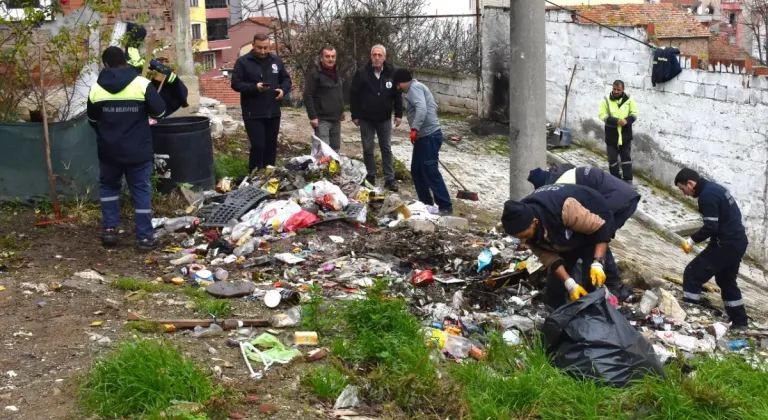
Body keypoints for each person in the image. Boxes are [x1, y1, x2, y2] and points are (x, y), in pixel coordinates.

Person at [86, 46, 166, 251]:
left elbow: (92, 120)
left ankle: (110, 230)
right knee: (140, 191)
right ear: (126, 61)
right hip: (138, 150)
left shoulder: (97, 88)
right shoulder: (142, 84)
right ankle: (145, 238)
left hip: (109, 151)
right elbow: (160, 112)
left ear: (105, 65)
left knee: (109, 188)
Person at [527, 164, 641, 300]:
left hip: (618, 200)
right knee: (593, 238)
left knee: (596, 238)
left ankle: (609, 287)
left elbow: (595, 229)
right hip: (622, 195)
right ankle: (598, 284)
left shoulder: (559, 186)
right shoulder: (562, 175)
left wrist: (595, 262)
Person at [501, 184, 616, 308]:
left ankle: (595, 312)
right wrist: (570, 284)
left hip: (594, 216)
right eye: (518, 238)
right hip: (564, 230)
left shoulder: (565, 209)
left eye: (524, 236)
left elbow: (601, 230)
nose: (522, 242)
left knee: (590, 278)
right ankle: (557, 313)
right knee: (555, 287)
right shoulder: (522, 221)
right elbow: (549, 258)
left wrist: (597, 262)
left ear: (534, 222)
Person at [675, 168, 749, 329]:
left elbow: (711, 227)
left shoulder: (707, 196)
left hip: (725, 244)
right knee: (726, 281)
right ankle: (740, 323)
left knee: (692, 274)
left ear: (691, 183)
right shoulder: (716, 189)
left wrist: (691, 240)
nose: (685, 194)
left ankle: (690, 316)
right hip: (737, 241)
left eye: (683, 189)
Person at [393, 68, 453, 215]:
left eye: (397, 84)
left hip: (429, 137)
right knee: (417, 171)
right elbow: (432, 106)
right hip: (424, 137)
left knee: (430, 172)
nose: (397, 88)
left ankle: (445, 206)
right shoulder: (417, 88)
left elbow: (422, 108)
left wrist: (415, 128)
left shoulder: (414, 89)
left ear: (400, 82)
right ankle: (426, 203)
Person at [231, 33, 292, 172]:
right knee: (258, 146)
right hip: (253, 112)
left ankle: (269, 176)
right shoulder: (243, 62)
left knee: (271, 147)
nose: (263, 51)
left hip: (273, 111)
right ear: (253, 45)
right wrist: (254, 87)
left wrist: (283, 90)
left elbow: (286, 80)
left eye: (266, 48)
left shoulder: (276, 61)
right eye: (260, 48)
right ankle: (253, 175)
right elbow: (235, 84)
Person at [350, 44, 403, 191]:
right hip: (366, 118)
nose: (377, 58)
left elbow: (397, 95)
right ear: (370, 56)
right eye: (374, 55)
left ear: (384, 57)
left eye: (380, 55)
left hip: (384, 118)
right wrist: (355, 115)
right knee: (368, 148)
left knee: (386, 148)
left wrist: (398, 114)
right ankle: (370, 175)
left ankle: (390, 178)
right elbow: (354, 95)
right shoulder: (362, 73)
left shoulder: (392, 73)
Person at [303, 46, 345, 152]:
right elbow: (308, 96)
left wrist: (341, 110)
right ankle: (323, 169)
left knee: (335, 149)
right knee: (324, 150)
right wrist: (312, 117)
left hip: (336, 118)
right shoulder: (315, 74)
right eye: (327, 56)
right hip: (322, 120)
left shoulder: (337, 72)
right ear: (321, 58)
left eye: (333, 56)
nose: (330, 59)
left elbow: (338, 92)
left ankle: (333, 169)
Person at [598, 80, 638, 184]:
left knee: (626, 157)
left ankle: (628, 180)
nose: (616, 91)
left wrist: (627, 120)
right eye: (614, 89)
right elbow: (602, 115)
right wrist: (616, 121)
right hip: (611, 134)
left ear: (623, 89)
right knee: (612, 158)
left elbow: (634, 113)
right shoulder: (606, 100)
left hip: (625, 134)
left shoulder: (629, 99)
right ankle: (615, 180)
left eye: (618, 90)